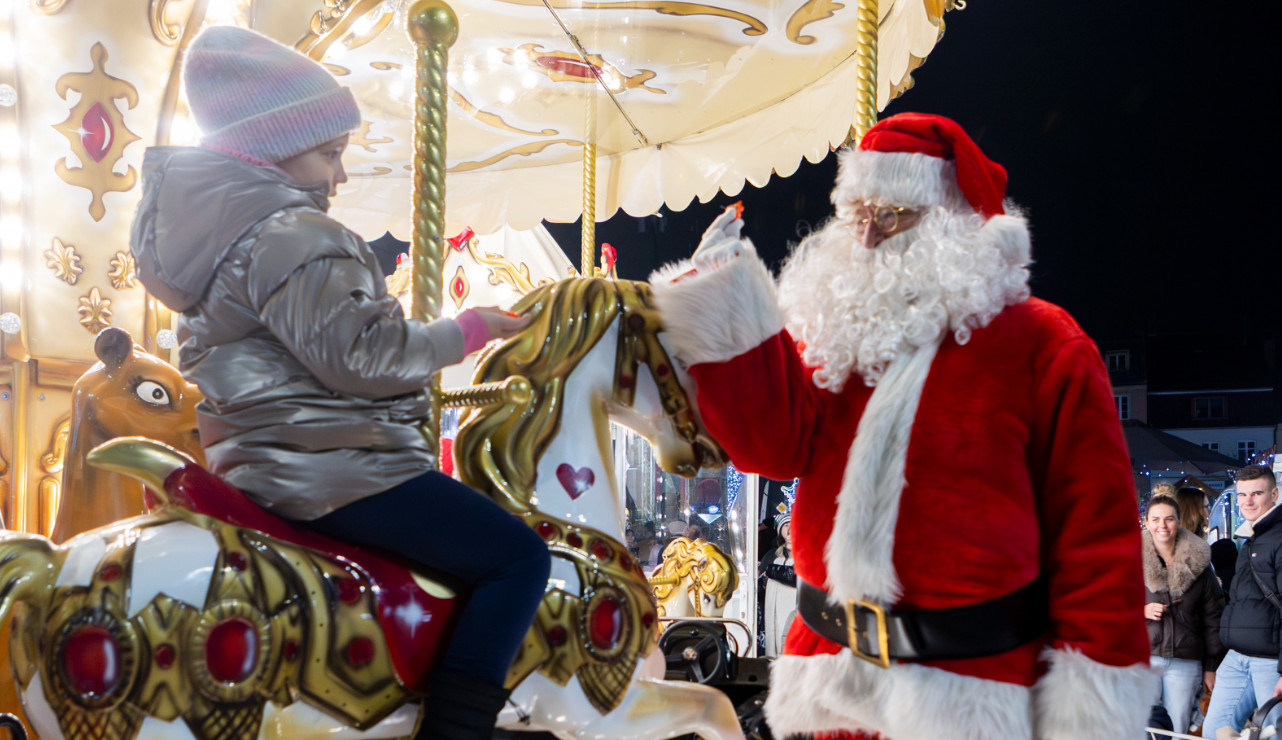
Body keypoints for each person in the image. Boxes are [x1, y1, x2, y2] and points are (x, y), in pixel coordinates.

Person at [649, 112, 1155, 739]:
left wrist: (1090, 714)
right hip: (827, 682)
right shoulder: (839, 335)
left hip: (970, 694)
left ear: (953, 223)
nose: (865, 238)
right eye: (856, 213)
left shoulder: (1044, 345)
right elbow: (773, 448)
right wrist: (727, 300)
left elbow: (1095, 544)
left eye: (889, 216)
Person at [130, 27, 550, 740]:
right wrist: (468, 331)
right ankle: (458, 727)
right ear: (270, 146)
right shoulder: (290, 232)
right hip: (331, 470)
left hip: (259, 463)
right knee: (519, 558)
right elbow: (364, 356)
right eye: (330, 154)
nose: (339, 177)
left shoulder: (219, 237)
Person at [1203, 465, 1282, 737]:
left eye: (1256, 493)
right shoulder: (1250, 536)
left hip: (1271, 662)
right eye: (1242, 494)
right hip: (1237, 656)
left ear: (1274, 494)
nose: (1248, 501)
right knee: (1216, 732)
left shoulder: (1277, 537)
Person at [1143, 493, 1225, 733]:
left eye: (1169, 519)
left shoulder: (1199, 562)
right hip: (1143, 657)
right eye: (1156, 519)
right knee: (1142, 728)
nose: (1162, 525)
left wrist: (1211, 666)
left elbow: (1213, 618)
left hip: (1185, 660)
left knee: (1179, 729)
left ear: (1178, 521)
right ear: (1146, 522)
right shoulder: (1129, 561)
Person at [759, 511, 797, 658]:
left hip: (792, 610)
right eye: (786, 525)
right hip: (774, 611)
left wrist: (770, 571)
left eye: (793, 525)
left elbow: (796, 576)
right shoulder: (773, 556)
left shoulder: (804, 556)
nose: (790, 530)